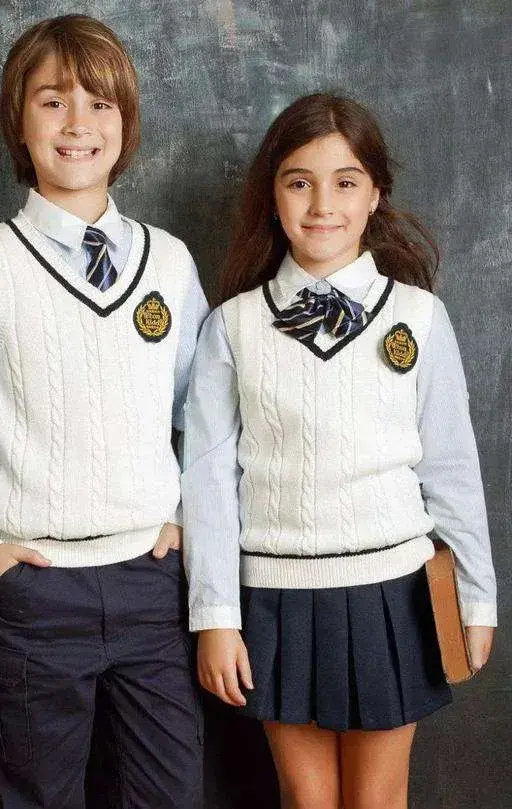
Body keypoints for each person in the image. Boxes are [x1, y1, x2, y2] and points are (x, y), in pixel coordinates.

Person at [0, 14, 207, 809]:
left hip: (152, 584)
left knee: (169, 793)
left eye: (99, 103)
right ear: (19, 123)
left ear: (125, 123)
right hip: (34, 591)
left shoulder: (168, 261)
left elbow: (205, 414)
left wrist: (182, 516)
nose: (77, 124)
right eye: (53, 101)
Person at [182, 93, 496, 809]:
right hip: (277, 595)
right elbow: (207, 484)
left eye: (345, 182)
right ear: (272, 196)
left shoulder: (418, 316)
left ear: (375, 193)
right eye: (300, 182)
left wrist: (477, 596)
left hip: (395, 591)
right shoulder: (233, 327)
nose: (323, 204)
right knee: (305, 796)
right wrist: (216, 615)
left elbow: (452, 468)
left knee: (378, 798)